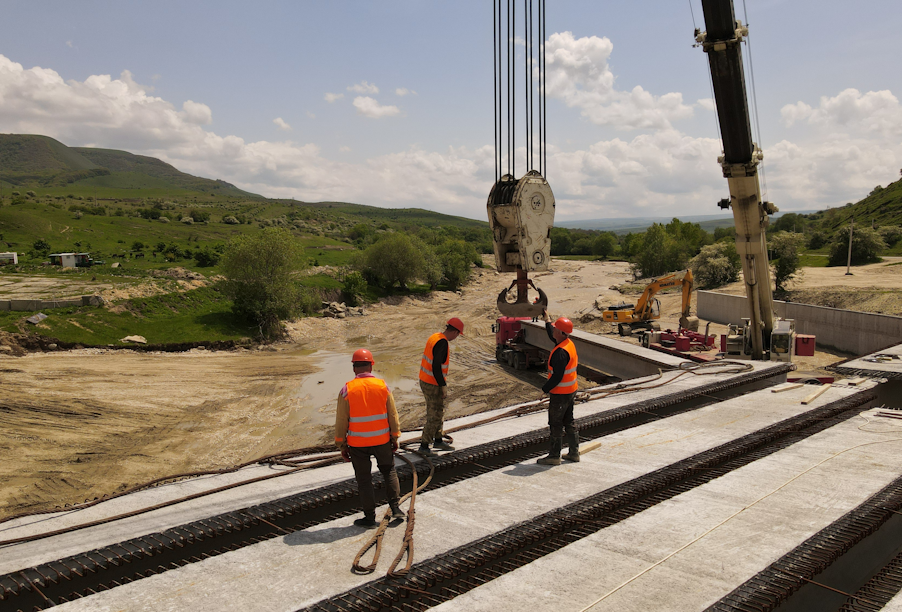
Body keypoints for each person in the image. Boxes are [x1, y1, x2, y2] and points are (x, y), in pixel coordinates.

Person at [335, 348, 404, 528]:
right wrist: (395, 436)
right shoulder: (383, 386)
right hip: (382, 441)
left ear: (353, 368)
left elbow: (341, 420)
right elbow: (393, 415)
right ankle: (395, 508)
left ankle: (369, 518)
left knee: (364, 479)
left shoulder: (347, 390)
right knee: (389, 471)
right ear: (371, 366)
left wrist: (341, 445)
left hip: (357, 444)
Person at [537, 309, 580, 466]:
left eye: (555, 328)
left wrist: (545, 389)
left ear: (561, 332)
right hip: (570, 391)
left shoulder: (560, 353)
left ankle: (554, 456)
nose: (553, 330)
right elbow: (552, 334)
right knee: (569, 420)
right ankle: (574, 453)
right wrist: (547, 320)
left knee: (555, 423)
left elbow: (557, 376)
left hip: (560, 393)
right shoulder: (567, 343)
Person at [417, 317, 464, 457]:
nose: (456, 338)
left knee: (438, 410)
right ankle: (424, 445)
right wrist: (443, 385)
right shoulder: (442, 343)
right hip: (433, 383)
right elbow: (436, 366)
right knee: (435, 414)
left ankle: (438, 439)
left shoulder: (435, 336)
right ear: (455, 332)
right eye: (457, 335)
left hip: (426, 380)